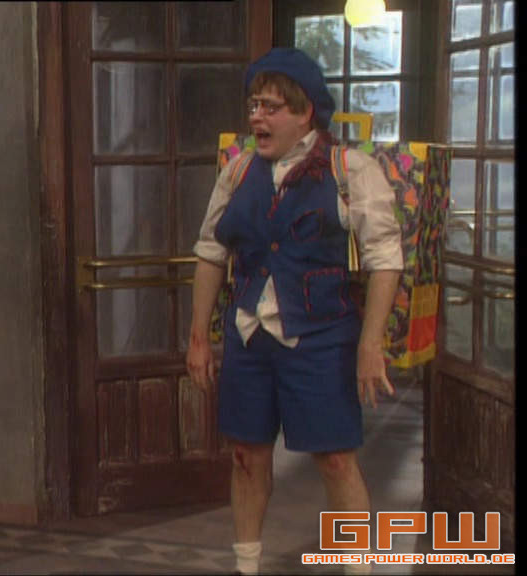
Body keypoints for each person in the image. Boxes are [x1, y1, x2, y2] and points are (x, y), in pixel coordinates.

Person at [186, 47, 402, 575]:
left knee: (335, 459)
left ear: (305, 112)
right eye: (253, 106)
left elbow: (385, 260)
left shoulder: (348, 169)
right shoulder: (238, 171)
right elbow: (211, 252)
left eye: (271, 107)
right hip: (249, 337)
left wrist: (370, 345)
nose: (256, 117)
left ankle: (358, 567)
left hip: (322, 336)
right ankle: (247, 566)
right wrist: (198, 338)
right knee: (246, 456)